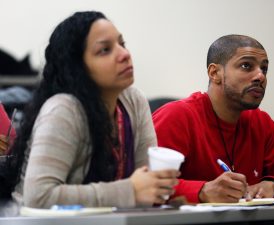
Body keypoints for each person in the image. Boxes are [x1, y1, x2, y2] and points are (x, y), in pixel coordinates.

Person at [1, 11, 179, 208]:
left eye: (122, 44)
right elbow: (39, 197)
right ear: (77, 67)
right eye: (105, 50)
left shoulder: (134, 101)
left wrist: (157, 187)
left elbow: (145, 187)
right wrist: (129, 191)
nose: (124, 54)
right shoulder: (64, 109)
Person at [153, 34, 274, 203]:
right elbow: (147, 185)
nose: (261, 76)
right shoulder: (177, 116)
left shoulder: (261, 123)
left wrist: (273, 185)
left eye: (264, 69)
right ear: (214, 72)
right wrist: (202, 191)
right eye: (246, 66)